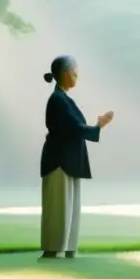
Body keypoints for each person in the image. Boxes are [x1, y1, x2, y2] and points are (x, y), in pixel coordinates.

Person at [39, 55, 114, 260]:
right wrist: (99, 126)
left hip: (68, 160)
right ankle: (53, 249)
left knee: (70, 207)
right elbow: (75, 128)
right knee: (59, 207)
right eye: (74, 73)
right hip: (59, 160)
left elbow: (75, 129)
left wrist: (98, 126)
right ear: (64, 73)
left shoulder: (64, 99)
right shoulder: (58, 100)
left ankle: (68, 247)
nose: (76, 76)